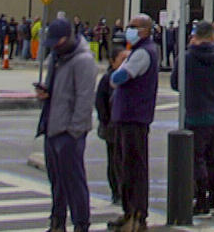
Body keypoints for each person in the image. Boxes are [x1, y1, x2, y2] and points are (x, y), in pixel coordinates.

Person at [35, 17, 97, 232]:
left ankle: (81, 223)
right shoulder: (56, 58)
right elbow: (56, 92)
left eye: (57, 42)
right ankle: (57, 221)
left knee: (74, 181)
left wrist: (74, 131)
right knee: (57, 182)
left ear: (68, 38)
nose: (54, 47)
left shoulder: (83, 61)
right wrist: (44, 94)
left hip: (69, 132)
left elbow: (84, 99)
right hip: (51, 126)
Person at [171, 21, 214, 215]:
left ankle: (201, 199)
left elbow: (175, 83)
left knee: (197, 159)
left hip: (194, 112)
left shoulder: (186, 57)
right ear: (212, 36)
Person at [108, 15, 159, 232]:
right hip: (128, 116)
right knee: (125, 166)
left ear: (145, 31)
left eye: (133, 27)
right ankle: (129, 210)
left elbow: (119, 77)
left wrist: (116, 72)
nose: (128, 30)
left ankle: (137, 214)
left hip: (133, 117)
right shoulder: (139, 51)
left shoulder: (141, 54)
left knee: (133, 167)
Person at [96, 48, 126, 204]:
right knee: (114, 161)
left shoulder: (127, 77)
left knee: (125, 160)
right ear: (113, 61)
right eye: (122, 59)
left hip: (125, 127)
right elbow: (100, 103)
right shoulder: (108, 79)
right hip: (112, 127)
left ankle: (123, 191)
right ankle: (117, 192)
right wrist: (107, 122)